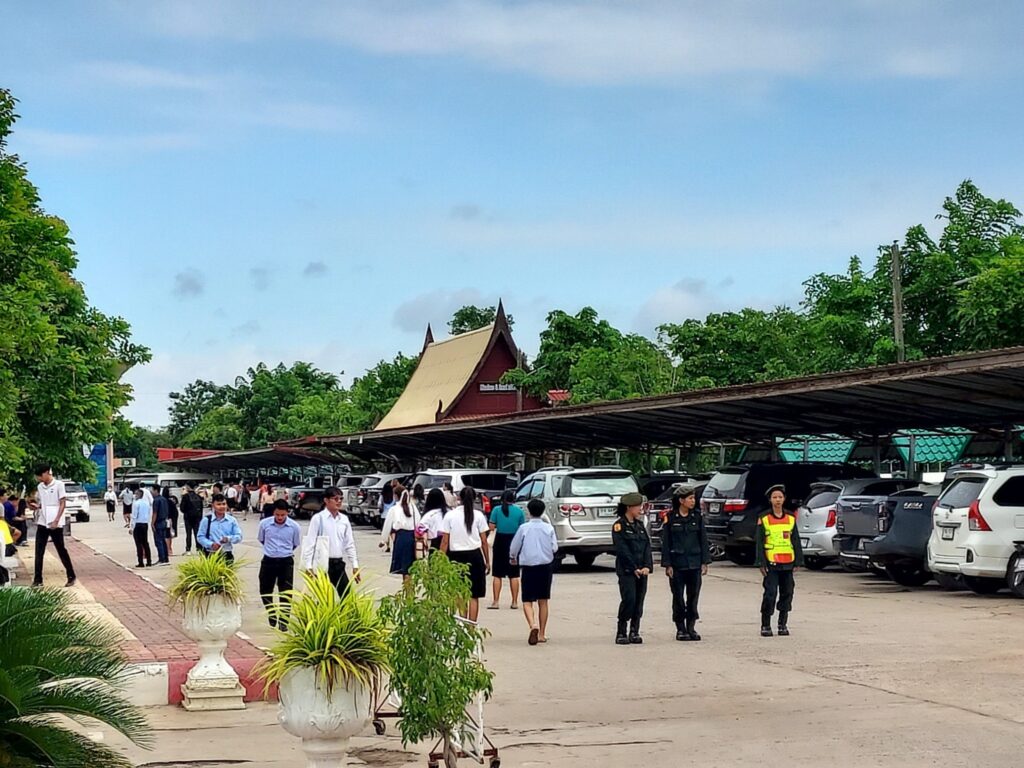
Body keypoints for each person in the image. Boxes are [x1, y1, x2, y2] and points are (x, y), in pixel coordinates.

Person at [662, 485, 711, 642]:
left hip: (694, 563)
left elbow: (703, 540)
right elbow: (666, 543)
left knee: (693, 597)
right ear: (681, 500)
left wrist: (704, 562)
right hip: (677, 564)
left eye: (693, 498)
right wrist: (667, 564)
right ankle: (680, 628)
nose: (693, 501)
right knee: (678, 597)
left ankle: (691, 627)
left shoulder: (697, 517)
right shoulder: (670, 518)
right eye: (690, 498)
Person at [509, 498, 558, 645]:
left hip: (529, 567)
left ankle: (532, 625)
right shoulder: (548, 528)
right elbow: (554, 547)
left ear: (529, 511)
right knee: (543, 601)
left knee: (527, 601)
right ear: (543, 511)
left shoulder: (524, 528)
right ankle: (542, 634)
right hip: (545, 567)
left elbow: (514, 546)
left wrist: (513, 558)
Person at [757, 484, 803, 637]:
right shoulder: (764, 517)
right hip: (771, 563)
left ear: (784, 499)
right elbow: (759, 542)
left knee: (787, 593)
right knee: (770, 594)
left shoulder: (790, 517)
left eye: (780, 497)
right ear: (770, 500)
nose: (777, 500)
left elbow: (795, 540)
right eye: (775, 497)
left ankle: (782, 624)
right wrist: (761, 562)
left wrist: (798, 561)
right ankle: (765, 625)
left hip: (788, 563)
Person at [441, 486, 491, 623]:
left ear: (459, 498)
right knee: (474, 595)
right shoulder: (479, 516)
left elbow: (445, 541)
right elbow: (484, 541)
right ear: (475, 499)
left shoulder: (450, 516)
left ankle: (462, 622)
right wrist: (487, 561)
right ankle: (471, 626)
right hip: (475, 556)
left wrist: (440, 560)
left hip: (455, 557)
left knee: (459, 592)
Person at [301, 486, 360, 597]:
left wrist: (354, 564)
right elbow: (310, 543)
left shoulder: (344, 519)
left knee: (346, 596)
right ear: (326, 500)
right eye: (335, 499)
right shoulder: (318, 518)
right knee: (323, 598)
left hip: (338, 563)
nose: (339, 501)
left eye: (341, 499)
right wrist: (308, 566)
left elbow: (349, 544)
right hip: (322, 564)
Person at [612, 492, 652, 645]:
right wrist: (634, 567)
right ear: (629, 507)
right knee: (629, 599)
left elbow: (647, 547)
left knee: (639, 602)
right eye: (638, 507)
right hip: (627, 571)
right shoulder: (619, 526)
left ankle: (634, 631)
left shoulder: (640, 525)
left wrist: (647, 566)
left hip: (642, 571)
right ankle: (622, 631)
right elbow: (622, 550)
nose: (640, 509)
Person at [30, 465, 77, 588]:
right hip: (43, 521)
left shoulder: (59, 485)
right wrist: (37, 506)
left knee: (61, 549)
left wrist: (57, 520)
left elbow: (62, 503)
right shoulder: (40, 487)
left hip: (55, 522)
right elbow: (43, 503)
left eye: (41, 476)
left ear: (47, 473)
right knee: (39, 551)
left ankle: (71, 575)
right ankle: (38, 579)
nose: (40, 479)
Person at [258, 499, 302, 628]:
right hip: (269, 560)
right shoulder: (264, 524)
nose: (280, 517)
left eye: (283, 515)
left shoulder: (294, 526)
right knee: (265, 589)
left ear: (287, 513)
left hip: (286, 561)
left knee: (286, 592)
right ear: (274, 512)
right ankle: (271, 612)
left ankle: (284, 621)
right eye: (277, 515)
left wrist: (284, 551)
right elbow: (262, 539)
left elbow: (295, 544)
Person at [488, 489, 526, 610]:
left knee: (497, 574)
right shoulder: (519, 511)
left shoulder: (496, 510)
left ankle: (495, 602)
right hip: (514, 541)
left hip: (500, 542)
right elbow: (522, 528)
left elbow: (491, 526)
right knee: (514, 574)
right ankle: (514, 602)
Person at [379, 489, 419, 582]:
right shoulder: (413, 508)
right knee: (410, 567)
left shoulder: (394, 509)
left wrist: (383, 540)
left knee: (404, 568)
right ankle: (409, 587)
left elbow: (387, 526)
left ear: (396, 496)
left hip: (401, 538)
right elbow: (418, 522)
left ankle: (407, 588)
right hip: (412, 538)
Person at [197, 493, 243, 562]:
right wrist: (211, 544)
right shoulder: (206, 520)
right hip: (211, 555)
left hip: (226, 554)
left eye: (224, 504)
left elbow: (239, 536)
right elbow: (200, 537)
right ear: (213, 505)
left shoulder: (231, 520)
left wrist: (228, 538)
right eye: (218, 504)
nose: (222, 507)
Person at [419, 487, 449, 551]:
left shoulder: (428, 515)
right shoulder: (449, 512)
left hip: (434, 544)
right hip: (449, 542)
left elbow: (419, 531)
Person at [130, 489, 153, 568]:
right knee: (145, 543)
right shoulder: (147, 503)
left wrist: (131, 527)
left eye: (136, 494)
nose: (134, 496)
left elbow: (134, 516)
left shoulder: (136, 504)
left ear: (139, 495)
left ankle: (141, 562)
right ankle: (149, 561)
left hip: (138, 524)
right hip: (145, 524)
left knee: (138, 543)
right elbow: (149, 513)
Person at [180, 484, 204, 554]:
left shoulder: (185, 496)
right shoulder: (198, 496)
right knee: (197, 533)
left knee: (188, 533)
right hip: (197, 518)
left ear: (188, 487)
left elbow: (182, 508)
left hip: (188, 517)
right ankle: (199, 549)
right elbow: (201, 508)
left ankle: (188, 549)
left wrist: (186, 512)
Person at [151, 484, 170, 565]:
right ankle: (166, 558)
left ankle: (161, 559)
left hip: (158, 522)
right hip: (164, 522)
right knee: (163, 540)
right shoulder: (164, 499)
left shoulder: (156, 500)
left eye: (152, 490)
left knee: (158, 541)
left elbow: (155, 513)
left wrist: (152, 523)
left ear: (156, 490)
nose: (151, 492)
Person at [163, 487, 179, 557]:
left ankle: (168, 549)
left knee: (167, 535)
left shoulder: (165, 501)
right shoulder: (169, 501)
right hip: (169, 519)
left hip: (167, 519)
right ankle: (169, 549)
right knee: (168, 535)